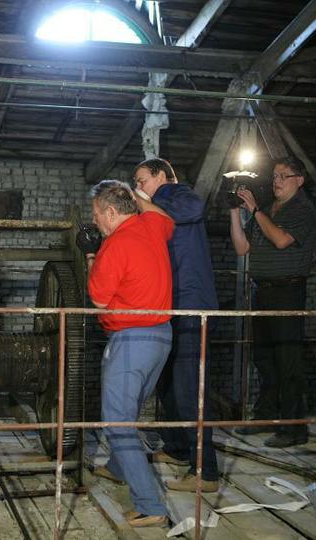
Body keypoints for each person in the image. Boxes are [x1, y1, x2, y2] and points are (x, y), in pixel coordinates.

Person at [78, 179, 174, 528]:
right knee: (129, 412)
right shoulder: (152, 226)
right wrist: (136, 197)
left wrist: (91, 255)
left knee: (117, 422)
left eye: (96, 214)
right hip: (162, 336)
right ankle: (119, 468)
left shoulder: (114, 245)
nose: (94, 221)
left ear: (110, 212)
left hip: (131, 340)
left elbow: (98, 299)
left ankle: (150, 505)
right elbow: (167, 219)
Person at [133, 158, 220, 492]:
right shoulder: (153, 207)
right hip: (169, 305)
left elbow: (193, 209)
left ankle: (206, 472)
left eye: (142, 180)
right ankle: (178, 448)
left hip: (191, 305)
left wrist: (138, 199)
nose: (139, 187)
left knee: (189, 389)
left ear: (160, 175)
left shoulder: (180, 194)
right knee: (167, 385)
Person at [229, 156, 316, 448]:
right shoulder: (268, 209)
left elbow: (281, 240)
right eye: (275, 176)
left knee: (287, 360)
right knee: (264, 358)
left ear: (299, 180)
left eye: (283, 176)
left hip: (287, 292)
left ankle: (294, 429)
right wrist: (234, 212)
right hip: (263, 291)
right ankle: (266, 416)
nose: (277, 181)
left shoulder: (302, 210)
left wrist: (255, 210)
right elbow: (242, 247)